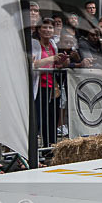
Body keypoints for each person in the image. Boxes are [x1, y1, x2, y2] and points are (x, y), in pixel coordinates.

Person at [32, 18, 67, 147]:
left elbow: (55, 64)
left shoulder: (53, 44)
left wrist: (62, 61)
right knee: (39, 119)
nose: (47, 30)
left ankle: (50, 147)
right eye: (44, 27)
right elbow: (34, 64)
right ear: (39, 30)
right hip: (39, 85)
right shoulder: (34, 44)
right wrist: (52, 58)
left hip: (52, 85)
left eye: (50, 28)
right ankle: (35, 149)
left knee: (52, 118)